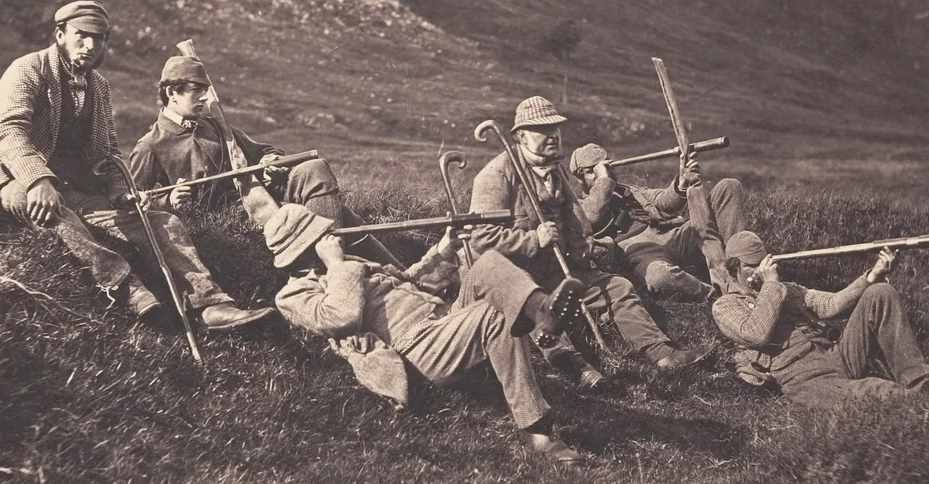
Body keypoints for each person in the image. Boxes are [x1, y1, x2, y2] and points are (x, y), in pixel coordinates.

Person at [0, 1, 271, 331]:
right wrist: (37, 180)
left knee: (163, 222)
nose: (91, 45)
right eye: (82, 35)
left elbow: (107, 152)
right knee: (47, 208)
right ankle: (126, 287)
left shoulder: (99, 86)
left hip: (78, 190)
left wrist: (122, 192)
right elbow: (8, 131)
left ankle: (210, 304)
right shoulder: (28, 69)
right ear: (60, 34)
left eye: (99, 38)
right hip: (12, 177)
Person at [266, 202, 583, 462]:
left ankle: (543, 312)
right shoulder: (294, 293)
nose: (332, 235)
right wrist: (336, 266)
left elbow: (406, 283)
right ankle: (536, 431)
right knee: (493, 315)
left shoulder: (346, 263)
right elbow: (340, 318)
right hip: (416, 346)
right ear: (305, 248)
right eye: (323, 233)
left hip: (443, 321)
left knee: (487, 263)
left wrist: (443, 250)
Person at [466, 96, 714, 387]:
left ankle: (661, 354)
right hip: (517, 275)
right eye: (542, 130)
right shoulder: (496, 175)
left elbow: (576, 219)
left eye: (555, 129)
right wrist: (533, 239)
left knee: (617, 286)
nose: (552, 136)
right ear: (520, 136)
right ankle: (576, 368)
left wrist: (583, 255)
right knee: (536, 305)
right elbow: (480, 239)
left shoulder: (555, 170)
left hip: (557, 268)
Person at [129, 55, 397, 264]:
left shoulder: (214, 126)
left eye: (205, 89)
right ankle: (348, 266)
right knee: (342, 215)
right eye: (195, 89)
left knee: (314, 168)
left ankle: (331, 262)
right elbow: (134, 200)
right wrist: (169, 200)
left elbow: (262, 151)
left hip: (262, 196)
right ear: (171, 93)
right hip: (232, 216)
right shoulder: (151, 145)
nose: (204, 97)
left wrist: (270, 161)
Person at [710, 229, 929, 404]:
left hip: (835, 355)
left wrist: (873, 275)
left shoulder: (785, 288)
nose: (760, 270)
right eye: (751, 266)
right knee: (872, 390)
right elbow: (756, 334)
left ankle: (920, 379)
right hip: (801, 378)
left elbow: (831, 305)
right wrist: (770, 286)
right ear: (734, 269)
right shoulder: (726, 306)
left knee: (880, 292)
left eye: (763, 262)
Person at [569, 143, 744, 301]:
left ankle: (739, 268)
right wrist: (603, 181)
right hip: (641, 252)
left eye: (606, 166)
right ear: (579, 178)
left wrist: (681, 183)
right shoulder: (580, 206)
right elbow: (592, 215)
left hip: (673, 235)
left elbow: (664, 202)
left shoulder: (628, 191)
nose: (605, 173)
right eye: (593, 171)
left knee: (728, 186)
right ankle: (718, 297)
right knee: (660, 277)